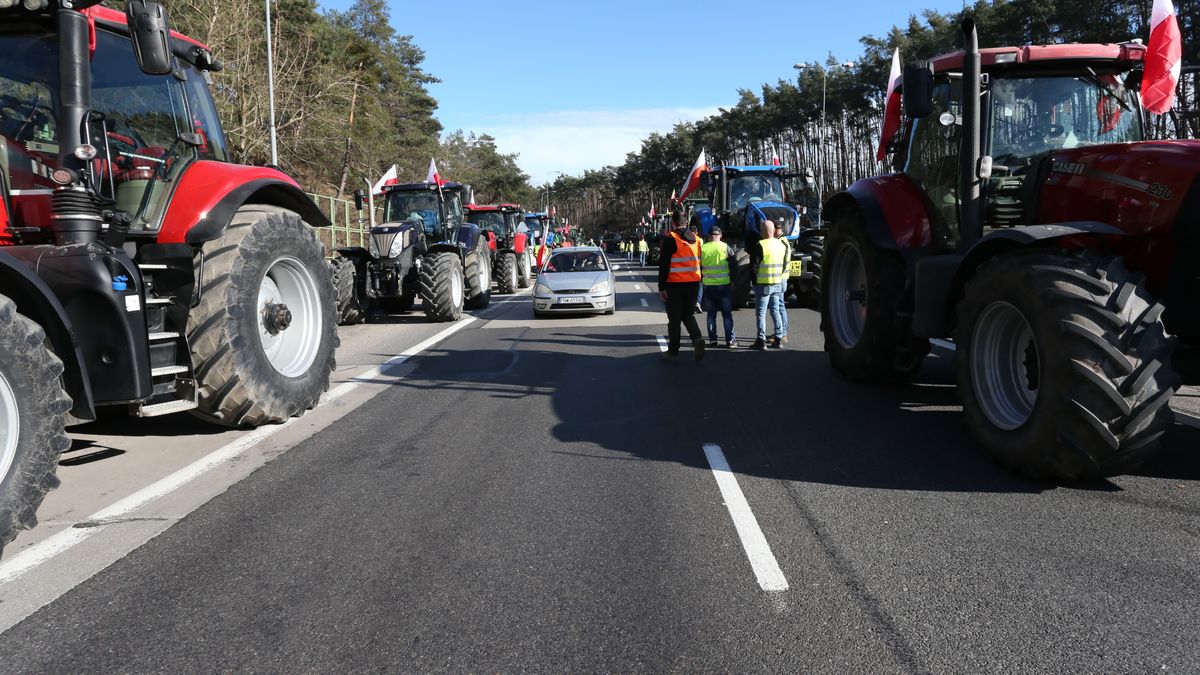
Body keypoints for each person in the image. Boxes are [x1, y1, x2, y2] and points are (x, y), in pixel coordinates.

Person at [658, 210, 705, 362]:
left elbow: (664, 265)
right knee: (687, 314)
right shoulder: (697, 240)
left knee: (674, 319)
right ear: (687, 222)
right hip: (693, 284)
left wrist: (661, 287)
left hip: (675, 284)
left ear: (673, 223)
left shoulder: (671, 238)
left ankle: (673, 351)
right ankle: (697, 339)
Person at [751, 220, 786, 350]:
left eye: (761, 229)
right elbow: (783, 264)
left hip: (763, 284)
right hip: (777, 282)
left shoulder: (760, 244)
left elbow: (754, 267)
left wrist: (754, 282)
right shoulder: (780, 244)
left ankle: (761, 341)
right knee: (775, 311)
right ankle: (778, 339)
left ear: (764, 231)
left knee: (761, 313)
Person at [700, 226, 737, 348]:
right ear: (720, 235)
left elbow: (698, 267)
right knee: (727, 315)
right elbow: (734, 266)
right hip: (724, 286)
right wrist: (732, 281)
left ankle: (713, 340)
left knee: (711, 315)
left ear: (709, 236)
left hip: (708, 286)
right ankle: (730, 341)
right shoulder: (726, 247)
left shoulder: (703, 248)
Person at [772, 223, 791, 347]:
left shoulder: (781, 242)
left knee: (779, 305)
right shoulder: (783, 240)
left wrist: (777, 275)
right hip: (782, 277)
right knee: (780, 305)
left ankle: (782, 334)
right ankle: (781, 332)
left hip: (781, 277)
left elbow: (783, 262)